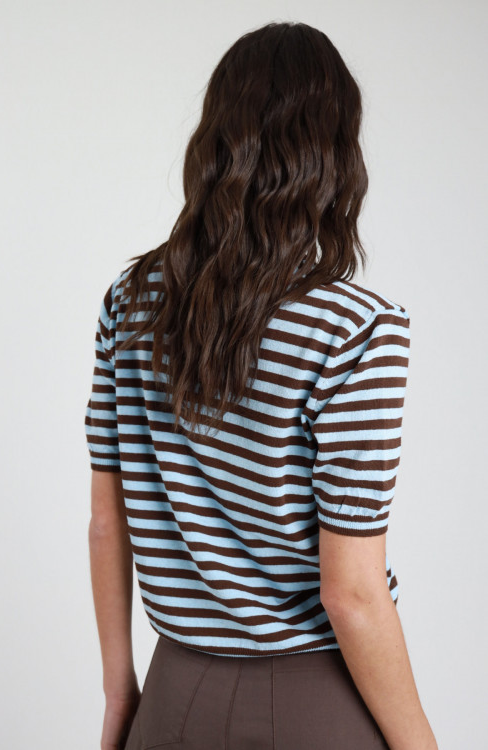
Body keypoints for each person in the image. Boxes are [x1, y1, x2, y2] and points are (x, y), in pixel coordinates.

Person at [84, 20, 438, 750]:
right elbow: (351, 593)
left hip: (171, 698)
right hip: (313, 704)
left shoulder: (130, 301)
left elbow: (106, 521)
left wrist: (121, 694)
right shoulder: (354, 329)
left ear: (215, 142)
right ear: (333, 156)